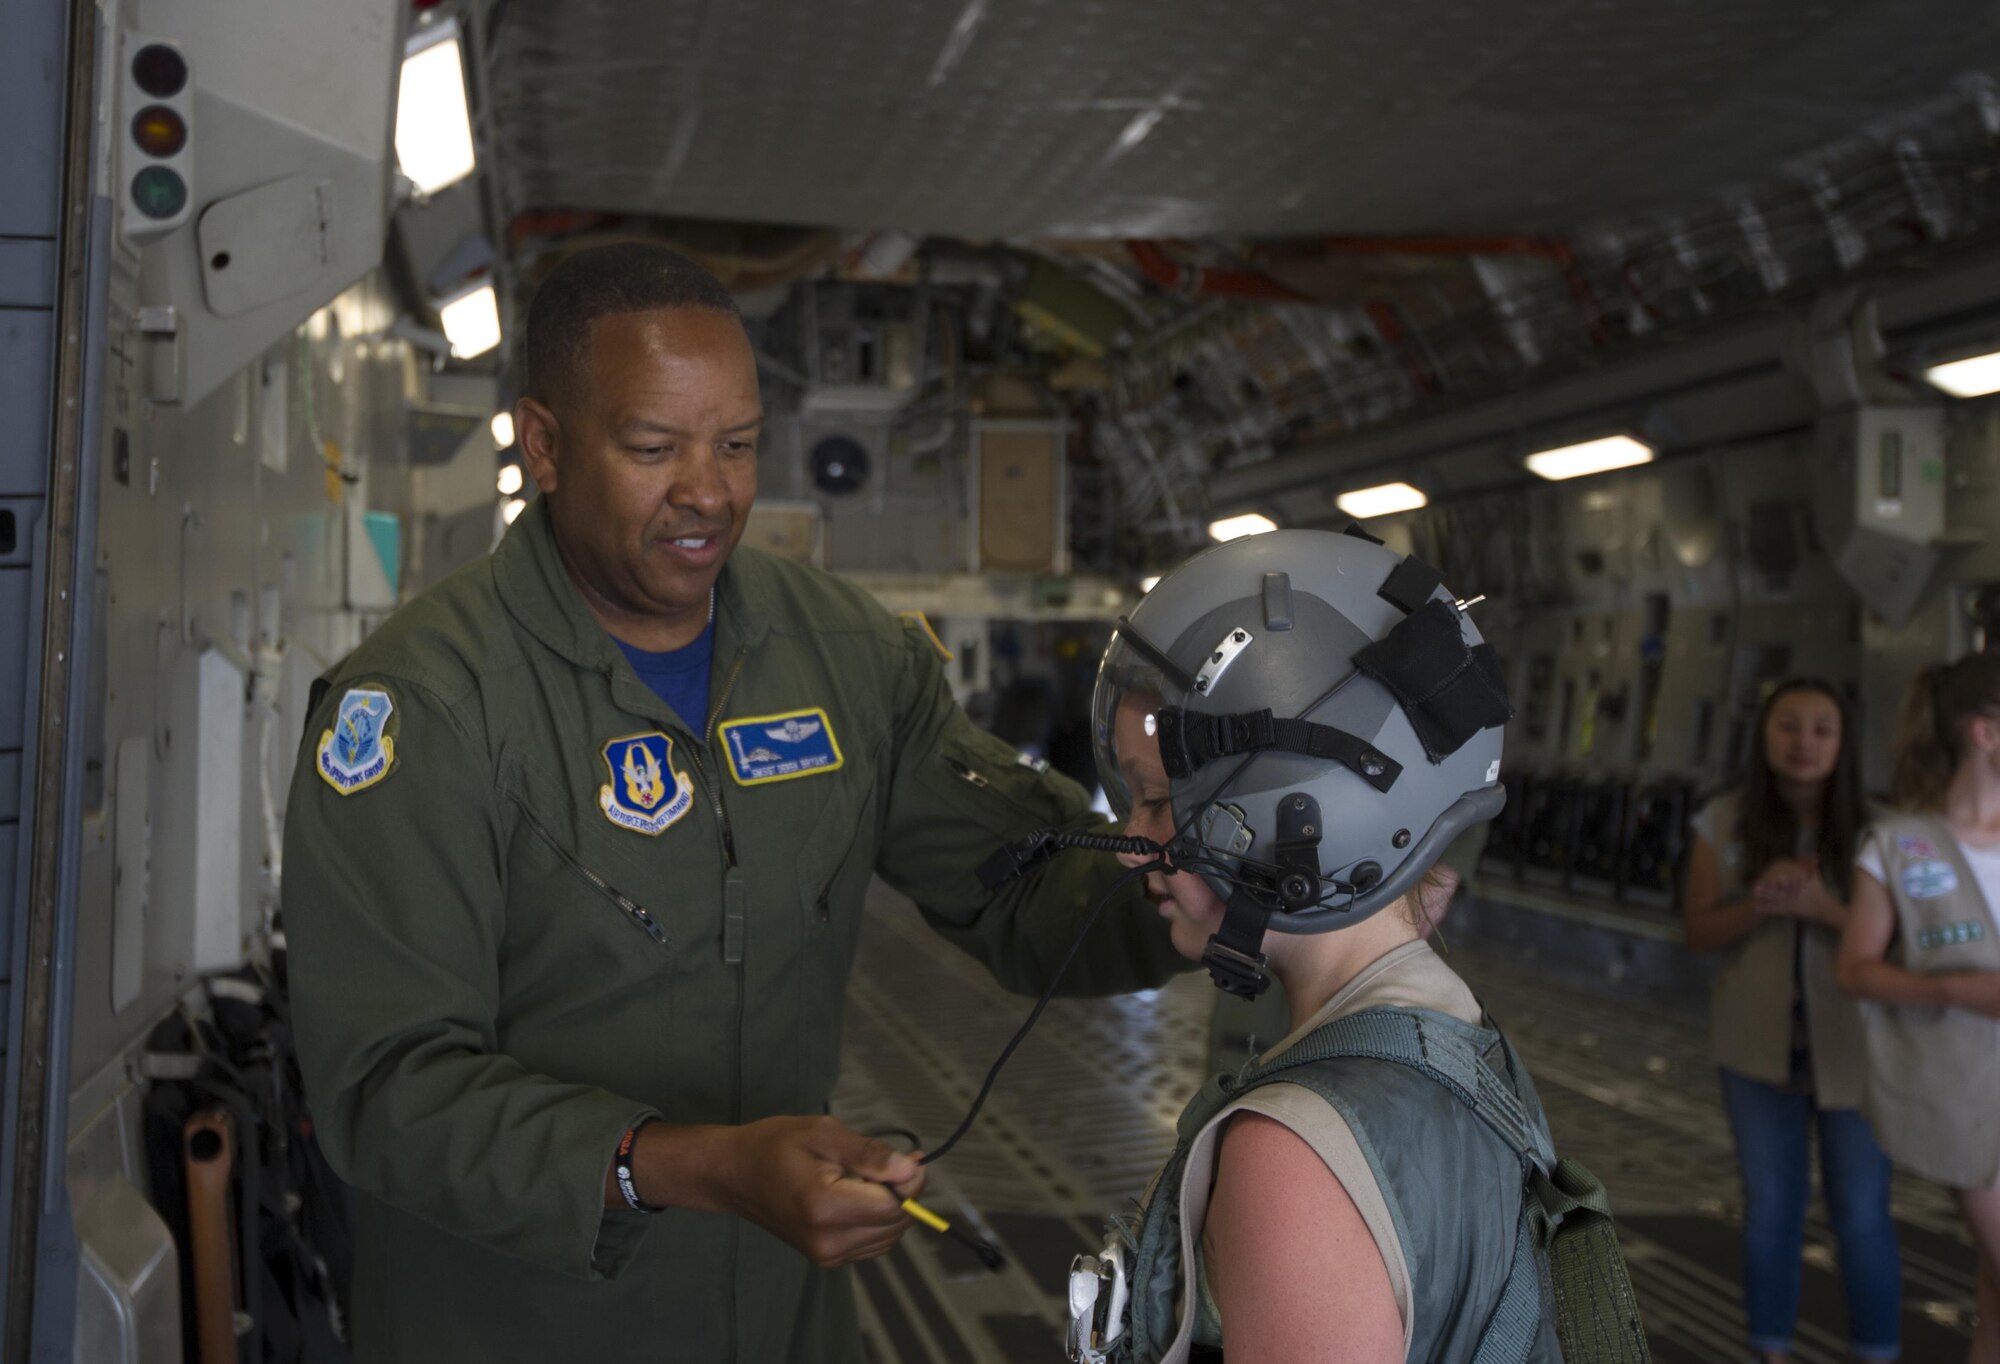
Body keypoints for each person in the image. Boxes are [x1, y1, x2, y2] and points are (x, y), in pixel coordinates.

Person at [279, 243, 1186, 1363]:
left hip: (778, 1323)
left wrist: (1216, 869)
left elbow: (1026, 883)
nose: (708, 490)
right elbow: (387, 1088)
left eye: (740, 444)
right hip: (518, 1325)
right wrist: (704, 1166)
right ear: (545, 444)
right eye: (654, 447)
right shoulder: (425, 707)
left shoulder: (846, 658)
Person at [1064, 527, 1642, 1363]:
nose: (1131, 843)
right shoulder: (1457, 1041)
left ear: (1296, 820)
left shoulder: (1292, 1156)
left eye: (1157, 800)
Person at [1682, 679, 1900, 1364]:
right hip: (1755, 1049)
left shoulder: (1883, 831)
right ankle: (1768, 1348)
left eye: (1821, 729)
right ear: (1764, 735)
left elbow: (1899, 949)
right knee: (1771, 1208)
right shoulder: (1723, 821)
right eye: (1789, 726)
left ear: (1844, 742)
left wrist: (1824, 909)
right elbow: (1699, 931)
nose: (1804, 742)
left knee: (1860, 1215)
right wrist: (1763, 902)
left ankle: (1877, 1350)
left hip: (1857, 1050)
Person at [1839, 654, 2000, 1364]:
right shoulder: (1898, 848)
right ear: (1985, 734)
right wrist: (1957, 990)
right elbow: (1857, 968)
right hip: (1961, 1093)